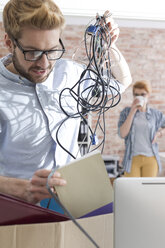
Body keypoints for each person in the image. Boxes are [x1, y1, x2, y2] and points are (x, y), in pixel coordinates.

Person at [0, 0, 132, 206]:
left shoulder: (68, 73)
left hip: (76, 204)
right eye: (33, 52)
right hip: (17, 210)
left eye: (52, 51)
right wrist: (20, 188)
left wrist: (109, 47)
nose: (44, 64)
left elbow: (120, 83)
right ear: (9, 42)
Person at [118, 80, 165, 177]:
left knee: (148, 190)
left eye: (143, 94)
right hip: (132, 159)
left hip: (151, 158)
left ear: (148, 95)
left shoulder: (155, 114)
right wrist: (133, 111)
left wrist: (159, 133)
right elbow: (122, 134)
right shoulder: (126, 112)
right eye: (136, 94)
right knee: (133, 190)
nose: (139, 97)